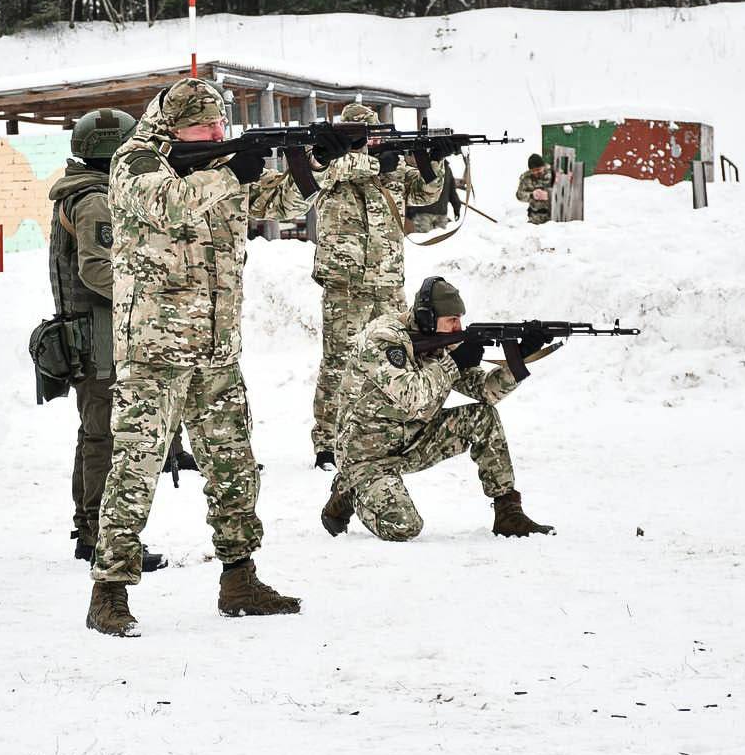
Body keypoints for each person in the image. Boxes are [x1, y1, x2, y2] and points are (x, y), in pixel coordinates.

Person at [87, 77, 352, 636]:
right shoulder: (135, 162)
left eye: (220, 124)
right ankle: (109, 592)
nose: (217, 133)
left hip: (216, 349)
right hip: (155, 351)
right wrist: (234, 169)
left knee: (233, 469)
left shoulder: (221, 164)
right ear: (174, 125)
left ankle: (239, 577)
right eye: (205, 126)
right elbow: (173, 206)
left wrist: (316, 163)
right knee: (135, 470)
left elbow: (282, 200)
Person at [320, 276, 555, 541]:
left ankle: (508, 513)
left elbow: (485, 391)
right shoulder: (383, 339)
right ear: (428, 317)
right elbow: (411, 395)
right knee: (404, 527)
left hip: (414, 441)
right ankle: (348, 490)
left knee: (482, 418)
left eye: (459, 319)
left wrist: (519, 356)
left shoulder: (442, 342)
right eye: (451, 321)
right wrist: (454, 363)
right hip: (367, 457)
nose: (458, 327)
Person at [48, 107, 166, 573]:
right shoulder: (95, 199)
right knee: (104, 436)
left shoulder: (84, 192)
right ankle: (98, 532)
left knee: (94, 432)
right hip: (98, 337)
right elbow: (96, 270)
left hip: (91, 333)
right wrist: (150, 291)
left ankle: (89, 527)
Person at [309, 103, 450, 472]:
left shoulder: (392, 165)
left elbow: (425, 193)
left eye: (376, 135)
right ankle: (327, 443)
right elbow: (319, 176)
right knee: (339, 362)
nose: (373, 141)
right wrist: (376, 162)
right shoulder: (330, 161)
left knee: (396, 358)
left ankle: (387, 434)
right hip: (346, 283)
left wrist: (432, 161)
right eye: (365, 136)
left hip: (387, 282)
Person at [516, 153, 553, 225]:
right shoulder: (526, 177)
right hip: (535, 219)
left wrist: (549, 194)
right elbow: (519, 195)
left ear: (543, 166)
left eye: (538, 169)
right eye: (533, 170)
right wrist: (532, 195)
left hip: (555, 218)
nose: (536, 172)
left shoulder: (552, 172)